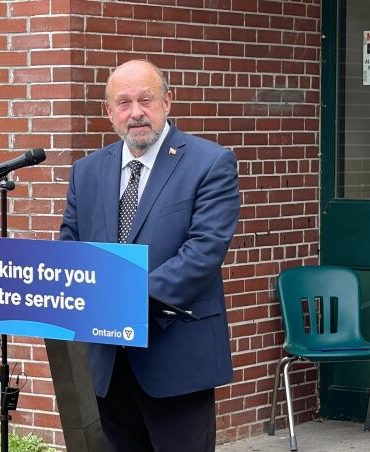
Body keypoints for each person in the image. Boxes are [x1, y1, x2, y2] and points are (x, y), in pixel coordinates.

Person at [59, 60, 240, 452]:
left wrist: (120, 299)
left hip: (175, 358)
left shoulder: (209, 163)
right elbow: (72, 250)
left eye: (146, 99)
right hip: (106, 364)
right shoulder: (86, 172)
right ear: (108, 112)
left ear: (168, 102)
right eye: (123, 103)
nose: (136, 112)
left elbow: (203, 252)